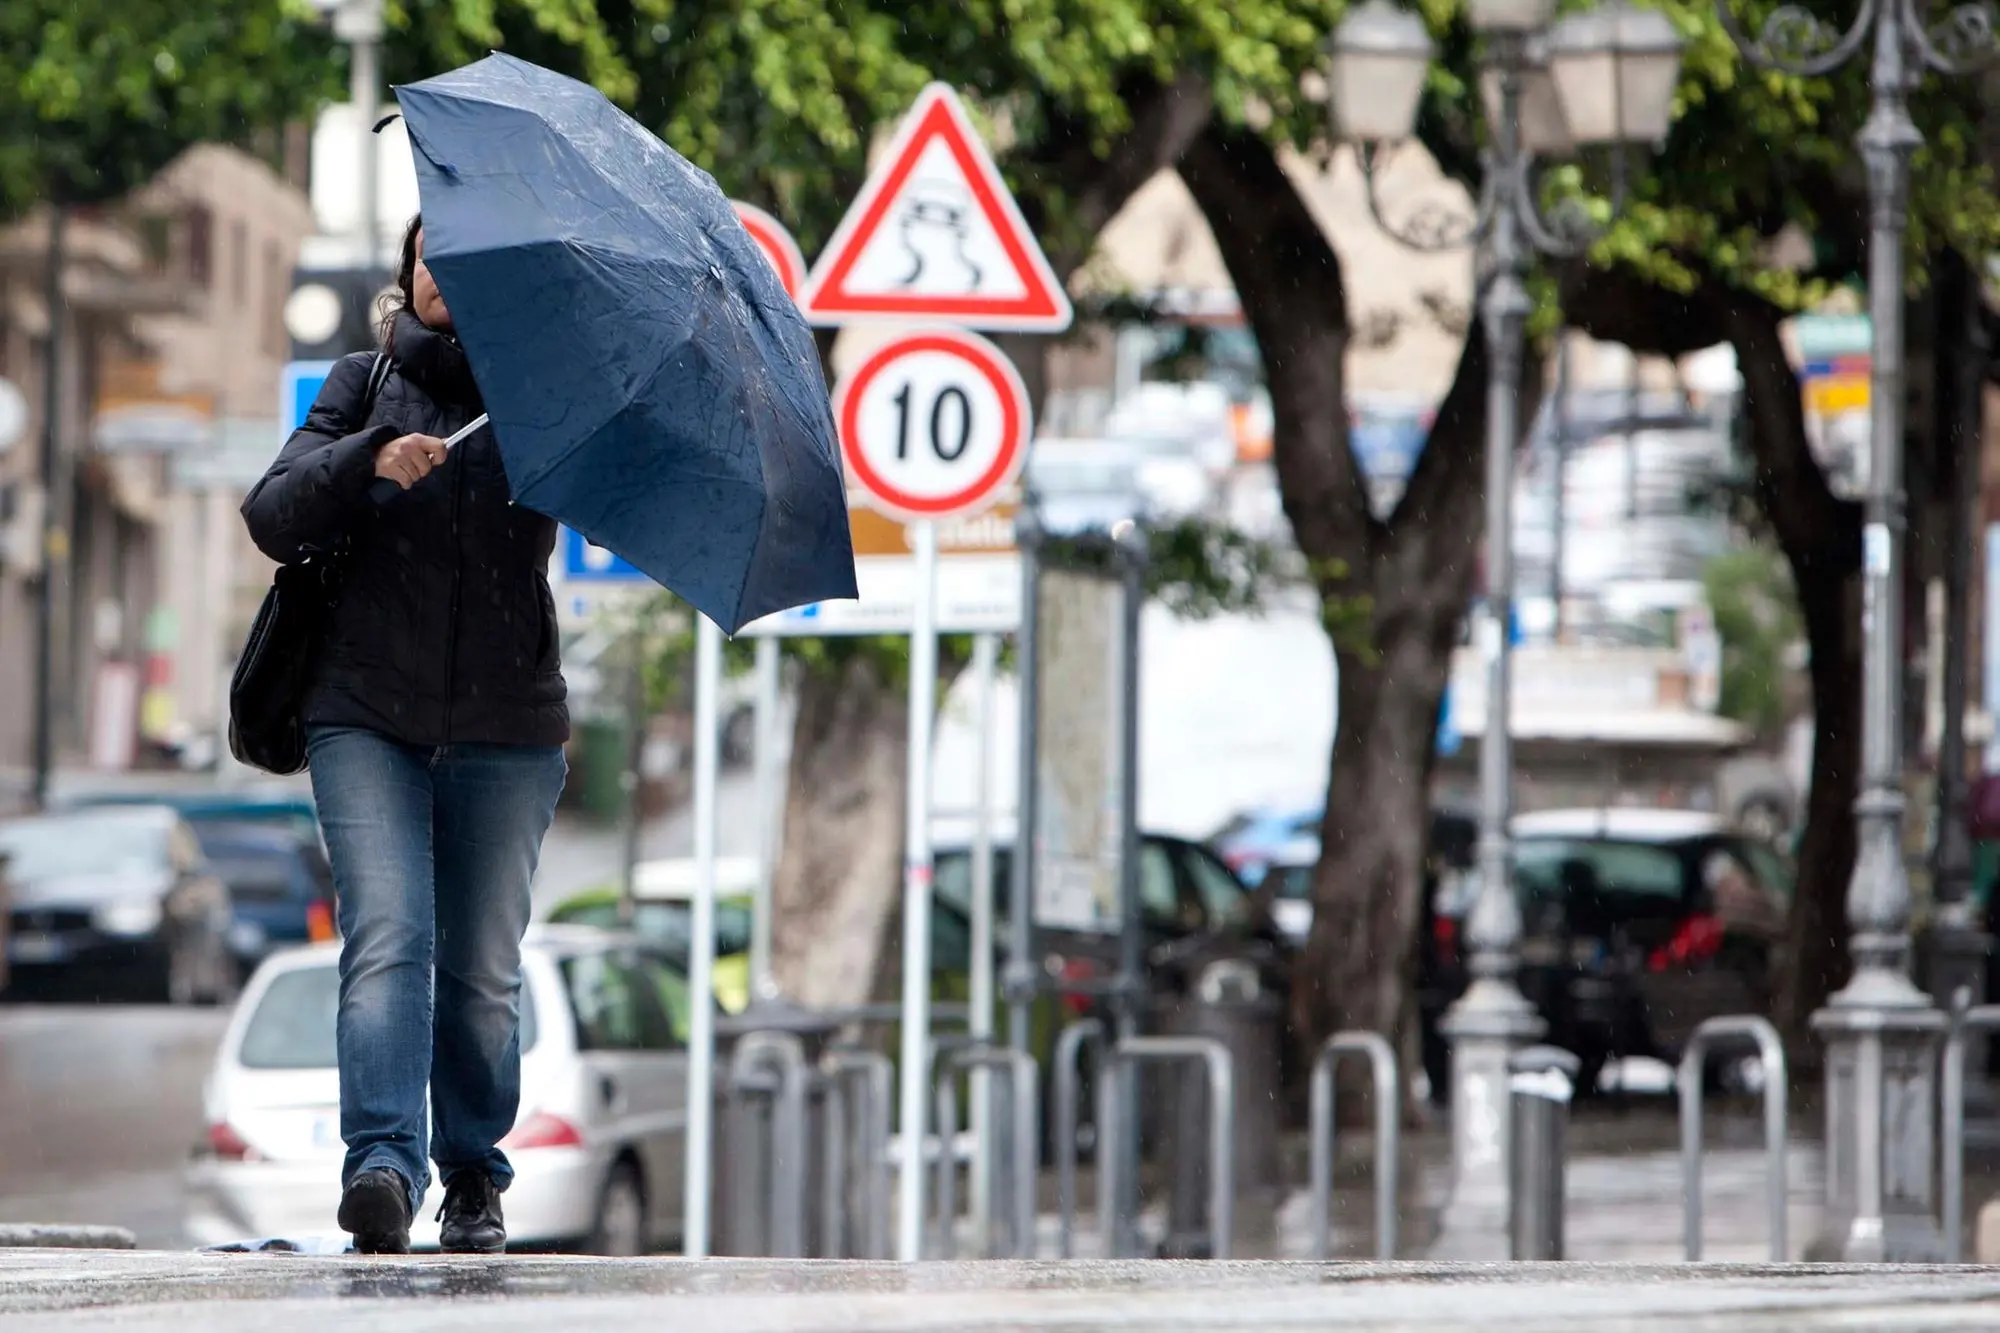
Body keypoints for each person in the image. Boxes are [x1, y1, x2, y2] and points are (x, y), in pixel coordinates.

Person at [242, 215, 568, 1254]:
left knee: (478, 969)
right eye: (429, 256)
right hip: (364, 715)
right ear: (406, 269)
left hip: (507, 723)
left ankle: (472, 1171)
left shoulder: (544, 398)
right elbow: (272, 513)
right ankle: (382, 1163)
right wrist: (369, 463)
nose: (441, 276)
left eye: (468, 262)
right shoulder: (359, 384)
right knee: (387, 938)